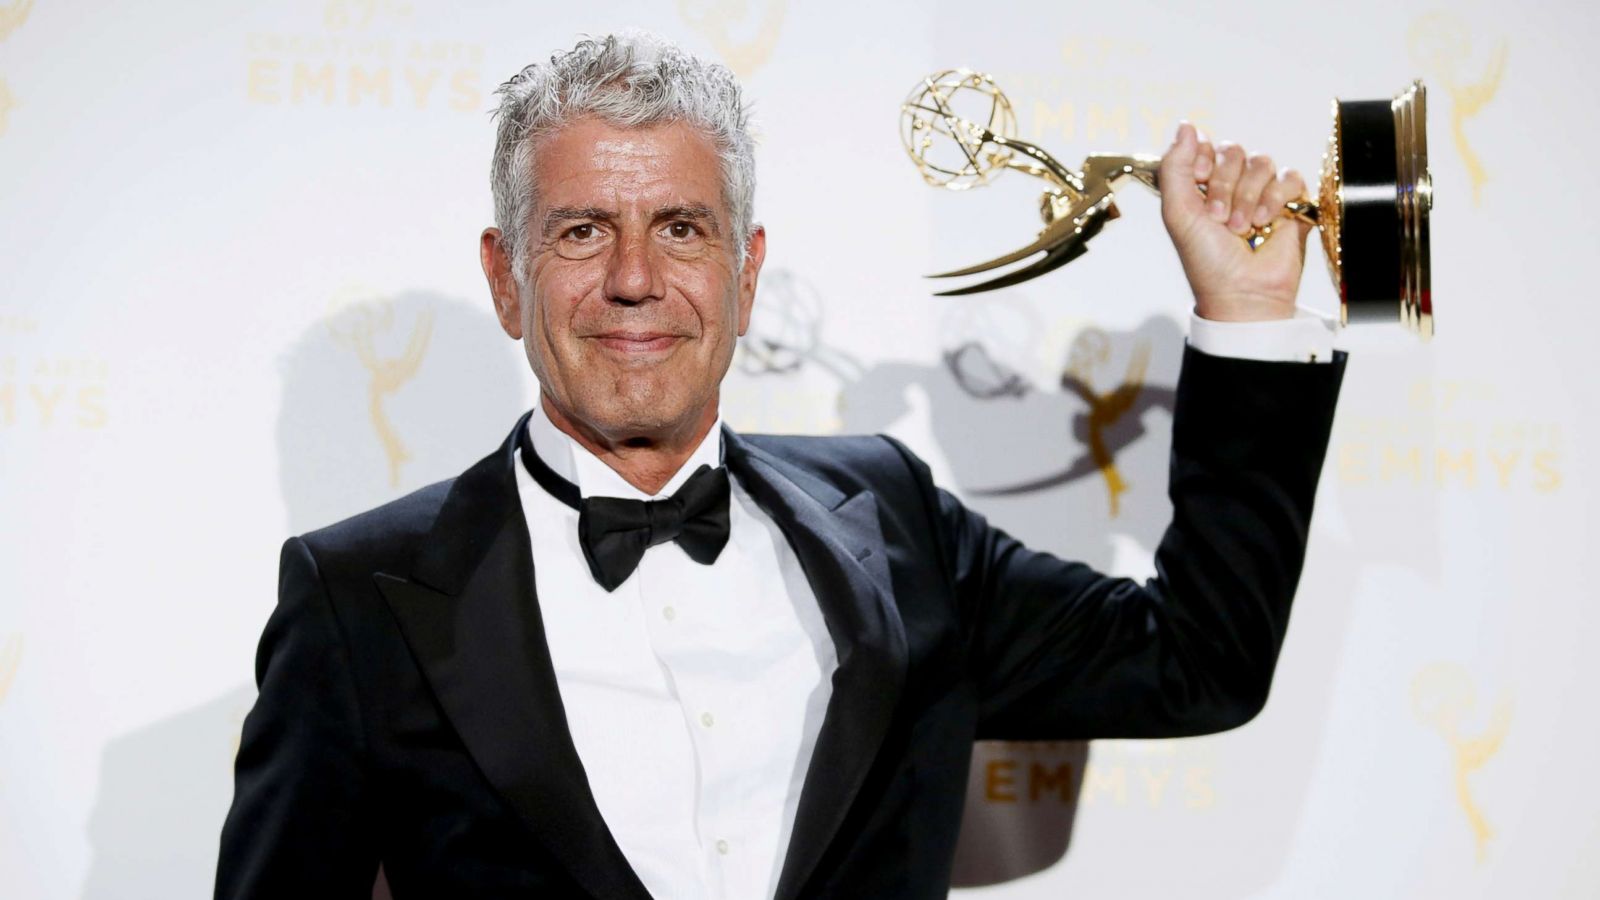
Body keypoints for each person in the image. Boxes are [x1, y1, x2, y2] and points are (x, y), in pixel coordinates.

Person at [216, 32, 1346, 900]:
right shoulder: (356, 601)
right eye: (578, 231)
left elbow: (1201, 663)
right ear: (506, 279)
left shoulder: (891, 517)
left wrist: (1245, 315)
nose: (633, 279)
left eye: (682, 229)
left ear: (747, 275)